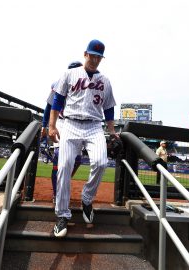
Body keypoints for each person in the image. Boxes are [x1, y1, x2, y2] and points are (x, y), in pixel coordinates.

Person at [49, 39, 118, 237]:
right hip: (70, 124)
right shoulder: (70, 74)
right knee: (64, 167)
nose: (95, 59)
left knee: (101, 162)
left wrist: (112, 131)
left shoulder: (105, 80)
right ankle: (62, 215)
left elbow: (109, 108)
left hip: (94, 126)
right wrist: (52, 126)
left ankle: (87, 199)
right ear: (85, 54)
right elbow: (57, 101)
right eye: (92, 55)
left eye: (99, 57)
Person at [41, 61, 83, 203]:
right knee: (59, 156)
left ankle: (63, 180)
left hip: (77, 123)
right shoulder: (58, 83)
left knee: (77, 159)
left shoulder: (86, 84)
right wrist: (44, 126)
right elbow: (48, 106)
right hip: (61, 121)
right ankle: (56, 193)